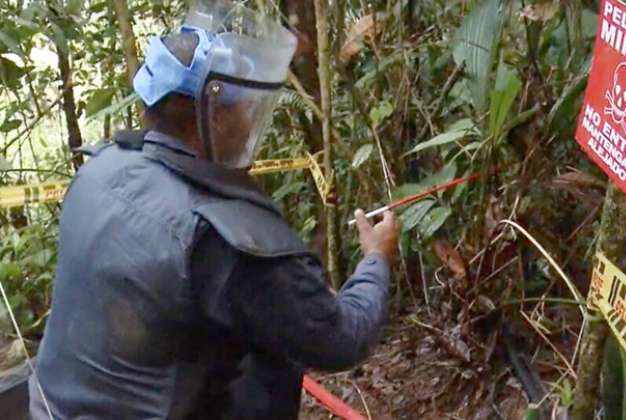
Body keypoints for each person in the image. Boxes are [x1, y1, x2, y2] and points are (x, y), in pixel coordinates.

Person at [29, 2, 400, 419]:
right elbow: (343, 339)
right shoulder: (223, 237)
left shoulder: (97, 170)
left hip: (52, 409)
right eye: (244, 107)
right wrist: (376, 259)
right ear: (215, 117)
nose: (251, 119)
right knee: (274, 355)